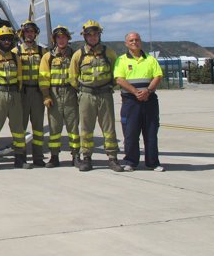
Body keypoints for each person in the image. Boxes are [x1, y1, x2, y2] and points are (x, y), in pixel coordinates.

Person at [69, 20, 123, 172]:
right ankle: (86, 158)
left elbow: (116, 73)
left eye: (95, 34)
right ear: (85, 36)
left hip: (105, 94)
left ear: (99, 35)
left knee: (109, 128)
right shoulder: (78, 55)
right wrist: (82, 89)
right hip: (86, 95)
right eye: (89, 35)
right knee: (86, 128)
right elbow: (73, 76)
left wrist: (110, 86)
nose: (92, 37)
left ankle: (113, 158)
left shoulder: (109, 53)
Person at [114, 32, 164, 172]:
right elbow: (119, 79)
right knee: (130, 132)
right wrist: (136, 92)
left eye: (136, 40)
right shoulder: (121, 60)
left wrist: (147, 91)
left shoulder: (150, 59)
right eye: (131, 40)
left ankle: (153, 162)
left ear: (140, 41)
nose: (134, 42)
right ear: (126, 43)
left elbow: (157, 76)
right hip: (131, 101)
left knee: (151, 132)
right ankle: (131, 161)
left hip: (149, 100)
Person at [0, 26, 30, 170]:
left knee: (18, 128)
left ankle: (20, 158)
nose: (7, 41)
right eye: (3, 39)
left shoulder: (16, 58)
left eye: (9, 39)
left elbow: (20, 78)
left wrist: (17, 93)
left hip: (15, 94)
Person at [39, 25, 80, 168]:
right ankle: (54, 156)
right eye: (58, 37)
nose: (61, 40)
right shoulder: (48, 57)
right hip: (54, 95)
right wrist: (46, 96)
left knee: (73, 127)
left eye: (63, 37)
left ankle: (76, 156)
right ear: (54, 39)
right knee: (54, 128)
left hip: (70, 94)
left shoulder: (76, 55)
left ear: (68, 38)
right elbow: (43, 78)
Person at [13, 20, 46, 167]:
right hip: (22, 93)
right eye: (27, 31)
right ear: (22, 33)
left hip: (38, 93)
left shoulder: (42, 51)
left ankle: (38, 157)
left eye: (32, 31)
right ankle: (20, 157)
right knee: (20, 127)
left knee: (38, 127)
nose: (30, 34)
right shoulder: (16, 51)